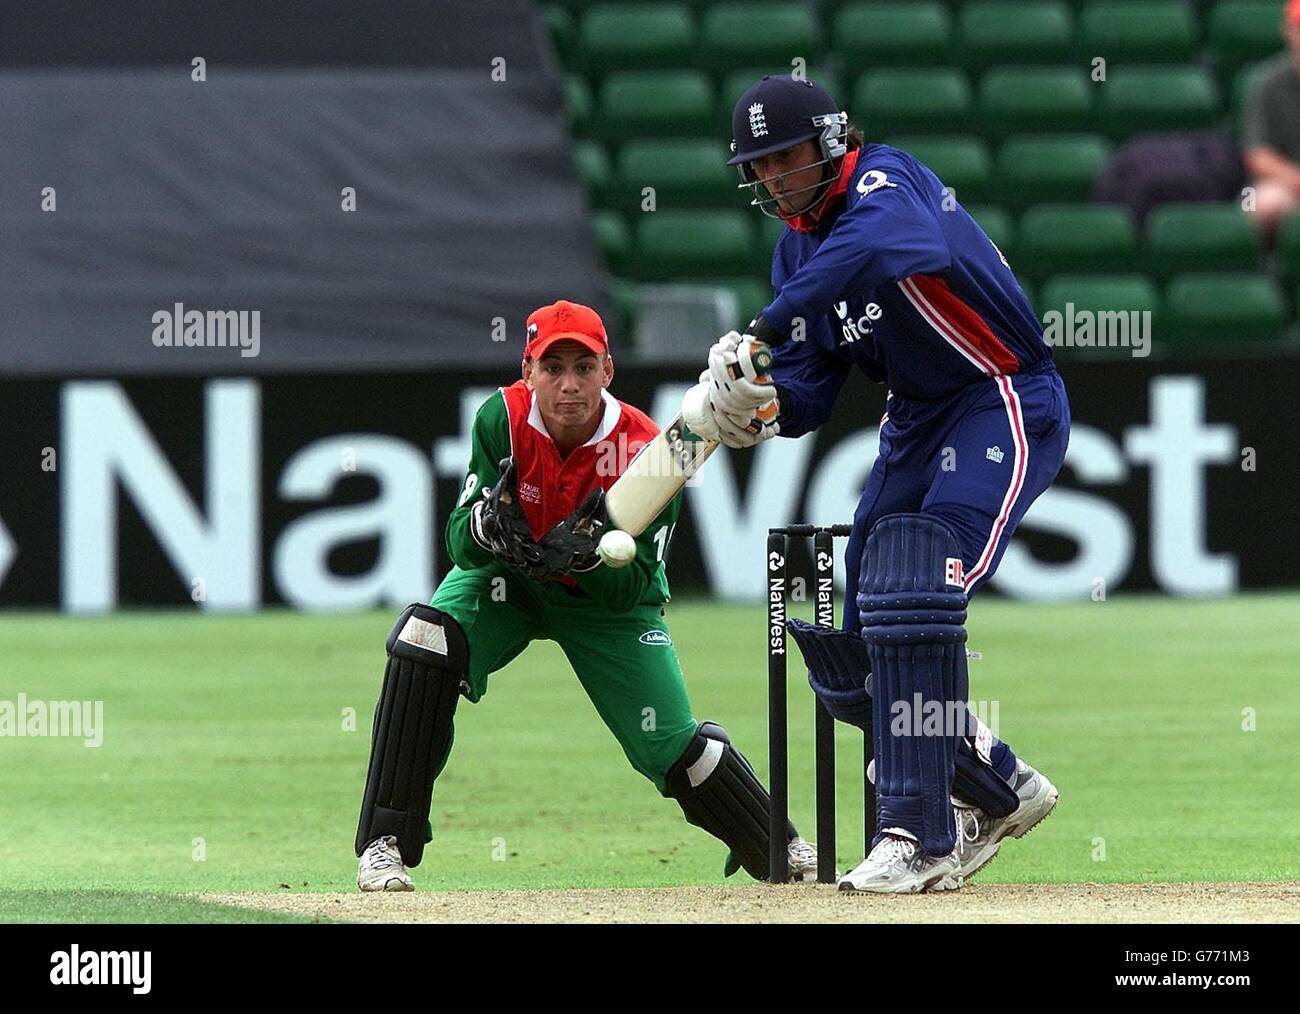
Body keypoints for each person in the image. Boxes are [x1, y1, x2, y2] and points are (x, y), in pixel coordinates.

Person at [684, 76, 1069, 893]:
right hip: (915, 421)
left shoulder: (888, 179)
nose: (777, 178)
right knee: (853, 657)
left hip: (997, 392)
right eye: (760, 166)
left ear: (828, 140)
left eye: (787, 157)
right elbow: (812, 392)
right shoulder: (795, 251)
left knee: (918, 586)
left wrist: (765, 323)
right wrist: (757, 407)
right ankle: (1000, 786)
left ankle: (920, 835)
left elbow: (895, 247)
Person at [354, 298, 817, 890]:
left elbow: (632, 588)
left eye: (584, 367)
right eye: (552, 368)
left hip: (602, 606)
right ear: (528, 372)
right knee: (425, 639)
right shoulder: (500, 419)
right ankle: (385, 841)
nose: (568, 386)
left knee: (675, 746)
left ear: (608, 371)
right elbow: (457, 538)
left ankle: (780, 845)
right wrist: (484, 529)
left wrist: (590, 560)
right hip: (512, 582)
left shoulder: (655, 448)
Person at [1241, 0, 1300, 237]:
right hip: (1278, 186)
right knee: (1257, 204)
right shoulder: (1266, 82)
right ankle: (1261, 270)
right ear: (1287, 31)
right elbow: (1256, 157)